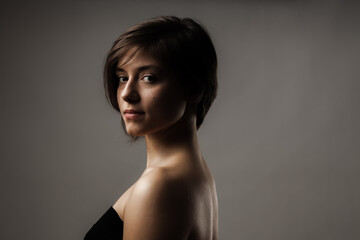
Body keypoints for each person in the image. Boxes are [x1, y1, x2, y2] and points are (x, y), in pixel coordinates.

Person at [85, 16, 218, 240]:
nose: (127, 93)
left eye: (148, 77)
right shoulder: (196, 174)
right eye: (122, 78)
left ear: (194, 88)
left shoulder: (159, 186)